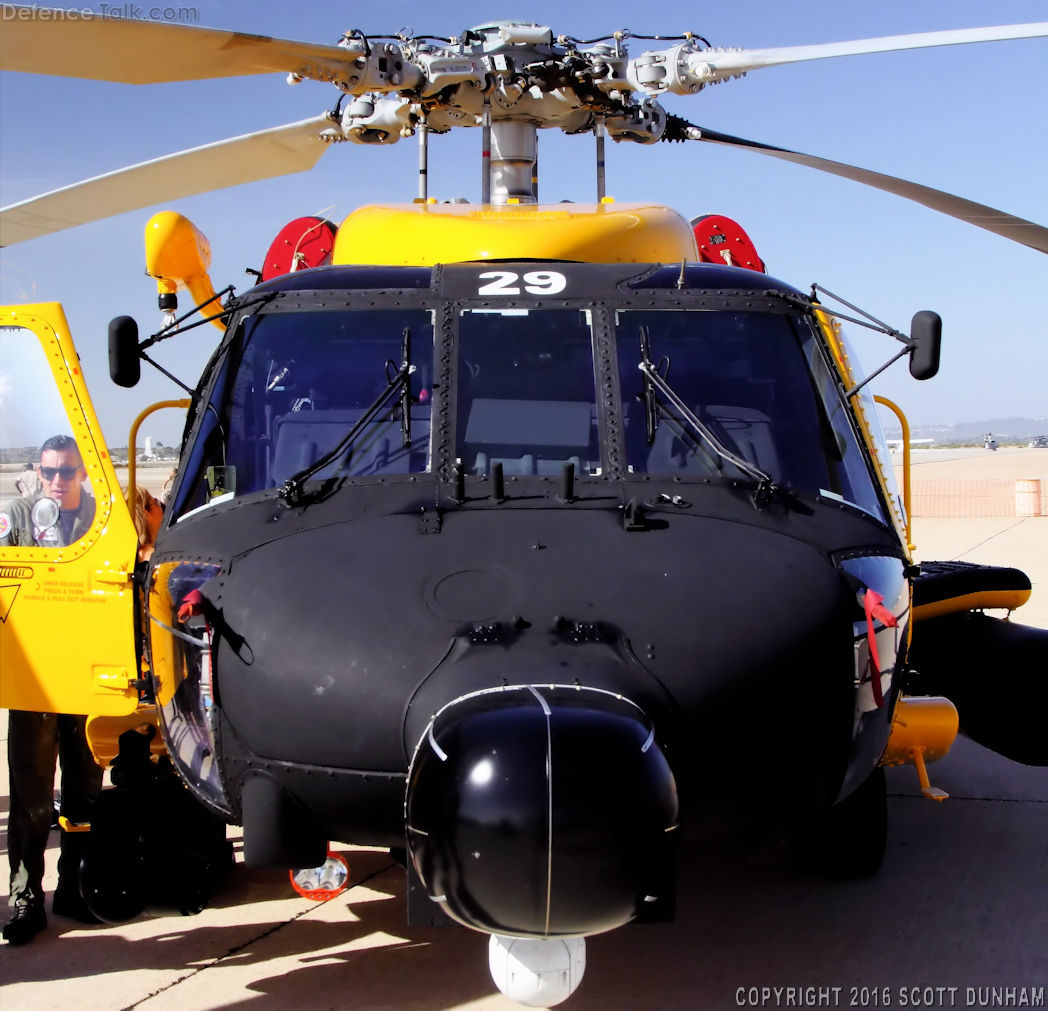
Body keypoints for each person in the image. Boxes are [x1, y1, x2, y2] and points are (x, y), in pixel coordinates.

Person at [1, 435, 104, 944]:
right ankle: (25, 898)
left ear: (83, 474)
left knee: (84, 790)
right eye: (48, 472)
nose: (57, 482)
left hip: (85, 676)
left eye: (66, 472)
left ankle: (74, 886)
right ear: (37, 472)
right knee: (31, 794)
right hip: (36, 680)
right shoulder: (17, 517)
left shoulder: (101, 520)